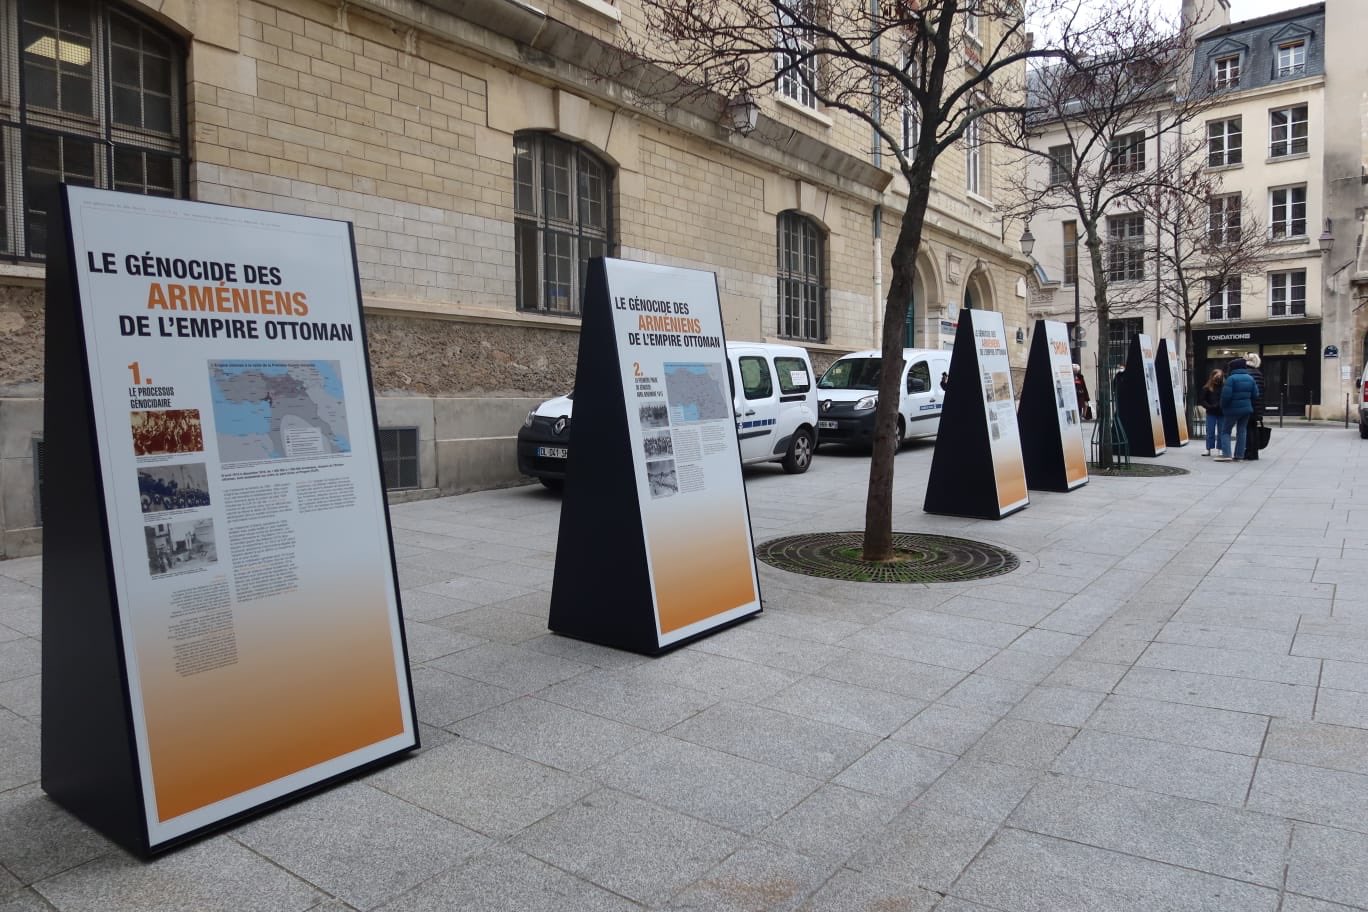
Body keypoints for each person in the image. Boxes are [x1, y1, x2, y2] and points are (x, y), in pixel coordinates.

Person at [1216, 357, 1256, 462]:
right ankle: (1239, 456)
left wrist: (1222, 406)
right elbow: (1255, 394)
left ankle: (1227, 454)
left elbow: (1226, 396)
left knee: (1225, 431)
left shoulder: (1231, 379)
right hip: (1246, 409)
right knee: (1242, 431)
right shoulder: (1250, 378)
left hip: (1232, 410)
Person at [1244, 353, 1265, 461]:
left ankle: (1248, 452)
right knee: (1253, 427)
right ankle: (1254, 453)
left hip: (1247, 404)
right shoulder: (1259, 374)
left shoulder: (1246, 373)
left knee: (1246, 429)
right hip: (1257, 405)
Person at [1199, 368, 1223, 456]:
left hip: (1221, 412)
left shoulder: (1224, 387)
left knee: (1221, 431)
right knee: (1210, 431)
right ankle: (1208, 448)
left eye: (1220, 376)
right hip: (1211, 412)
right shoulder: (1207, 387)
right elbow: (1202, 400)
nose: (1218, 378)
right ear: (1212, 376)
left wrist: (1220, 405)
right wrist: (1209, 406)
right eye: (1217, 376)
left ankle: (1220, 448)